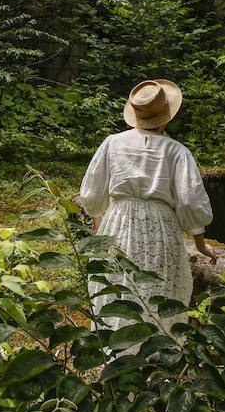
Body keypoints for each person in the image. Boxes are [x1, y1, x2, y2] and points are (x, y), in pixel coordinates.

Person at [78, 79, 217, 335]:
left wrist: (99, 228)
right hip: (160, 226)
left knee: (117, 284)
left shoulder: (112, 143)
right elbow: (189, 200)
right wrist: (200, 244)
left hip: (117, 220)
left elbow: (93, 193)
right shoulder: (177, 151)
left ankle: (114, 348)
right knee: (159, 285)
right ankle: (157, 356)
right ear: (166, 117)